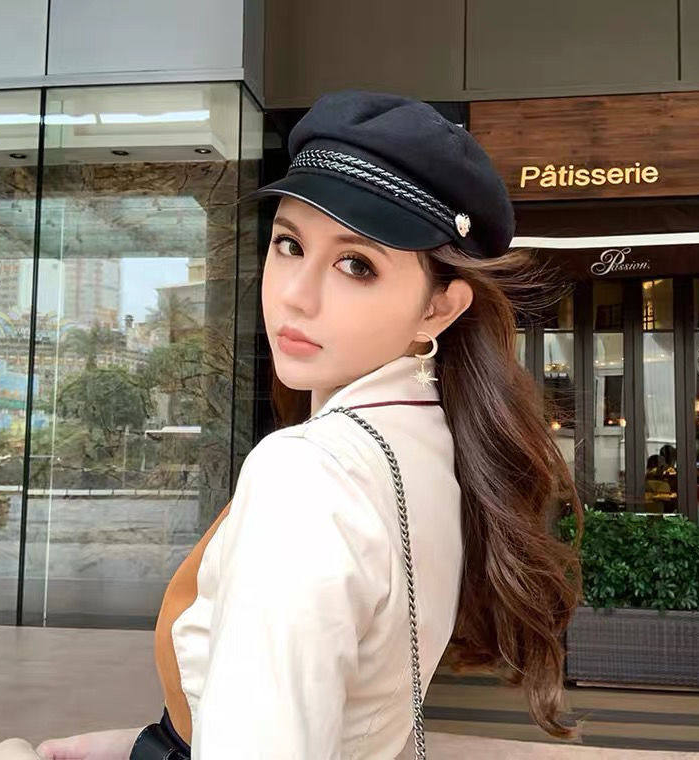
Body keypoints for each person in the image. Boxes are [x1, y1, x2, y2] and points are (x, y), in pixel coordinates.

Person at [34, 90, 584, 759]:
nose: (295, 294)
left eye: (356, 265)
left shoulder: (309, 473)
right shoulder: (432, 442)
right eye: (290, 244)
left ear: (438, 309)